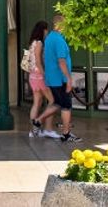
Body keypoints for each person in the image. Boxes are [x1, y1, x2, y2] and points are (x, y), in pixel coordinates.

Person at [35, 13, 80, 142]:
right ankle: (66, 133)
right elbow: (61, 61)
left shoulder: (49, 38)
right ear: (60, 25)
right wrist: (68, 78)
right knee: (66, 105)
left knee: (57, 103)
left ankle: (38, 120)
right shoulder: (59, 40)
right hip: (60, 79)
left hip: (52, 78)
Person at [26, 20, 58, 138]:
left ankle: (34, 131)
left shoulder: (32, 43)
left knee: (37, 102)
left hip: (32, 76)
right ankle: (47, 129)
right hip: (39, 75)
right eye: (46, 29)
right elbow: (39, 61)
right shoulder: (39, 43)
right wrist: (44, 74)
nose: (47, 32)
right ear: (43, 30)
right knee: (53, 101)